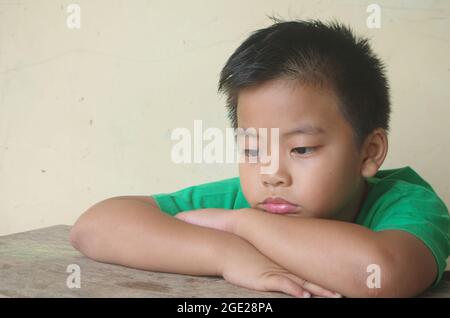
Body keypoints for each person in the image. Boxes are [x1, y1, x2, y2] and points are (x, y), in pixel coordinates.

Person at [70, 18, 450, 298]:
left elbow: (380, 274)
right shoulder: (243, 200)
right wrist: (227, 254)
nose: (271, 174)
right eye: (253, 149)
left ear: (369, 152)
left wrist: (242, 225)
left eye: (301, 149)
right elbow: (94, 227)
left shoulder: (407, 204)